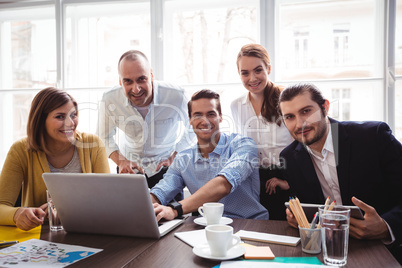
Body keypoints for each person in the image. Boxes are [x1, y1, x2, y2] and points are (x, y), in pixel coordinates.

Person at [278, 83, 402, 262]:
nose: (299, 124)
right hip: (327, 252)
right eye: (289, 117)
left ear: (325, 107)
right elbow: (308, 210)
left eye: (306, 111)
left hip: (387, 249)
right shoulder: (289, 157)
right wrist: (298, 218)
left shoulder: (374, 136)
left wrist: (386, 226)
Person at [0, 87, 110, 231]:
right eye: (60, 117)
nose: (70, 123)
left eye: (73, 115)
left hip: (89, 231)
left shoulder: (93, 144)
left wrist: (69, 205)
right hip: (42, 237)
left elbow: (108, 201)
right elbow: (1, 205)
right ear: (41, 120)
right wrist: (17, 214)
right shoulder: (20, 150)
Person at [150, 89, 268, 221]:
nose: (205, 121)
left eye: (211, 114)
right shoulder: (183, 159)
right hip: (204, 228)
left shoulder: (243, 145)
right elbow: (162, 190)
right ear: (190, 120)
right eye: (198, 115)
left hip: (248, 225)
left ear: (221, 117)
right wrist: (144, 204)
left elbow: (223, 185)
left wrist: (175, 209)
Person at [97, 50, 194, 190]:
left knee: (170, 211)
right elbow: (103, 136)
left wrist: (175, 157)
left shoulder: (176, 95)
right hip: (128, 167)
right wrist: (121, 161)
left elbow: (194, 127)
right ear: (120, 81)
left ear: (151, 75)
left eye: (141, 79)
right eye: (128, 81)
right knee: (126, 211)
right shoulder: (109, 99)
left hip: (166, 169)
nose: (136, 89)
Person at [231, 44, 292, 220]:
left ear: (269, 68)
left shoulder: (286, 98)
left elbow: (303, 145)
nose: (252, 78)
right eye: (245, 73)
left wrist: (289, 182)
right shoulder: (236, 106)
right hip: (255, 179)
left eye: (258, 70)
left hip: (286, 177)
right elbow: (242, 147)